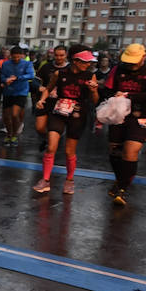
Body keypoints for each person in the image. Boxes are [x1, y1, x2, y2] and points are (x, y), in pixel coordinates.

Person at [101, 43, 146, 207]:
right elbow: (106, 90)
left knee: (130, 151)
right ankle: (119, 180)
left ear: (144, 57)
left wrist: (129, 96)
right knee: (115, 151)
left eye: (134, 61)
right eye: (128, 61)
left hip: (142, 116)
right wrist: (114, 95)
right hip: (119, 115)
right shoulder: (118, 69)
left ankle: (122, 189)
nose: (131, 64)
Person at [32, 49, 99, 195]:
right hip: (59, 111)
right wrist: (42, 100)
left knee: (69, 150)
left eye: (89, 62)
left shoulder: (90, 76)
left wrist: (93, 91)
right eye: (84, 62)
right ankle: (45, 179)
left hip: (78, 114)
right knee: (51, 146)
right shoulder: (60, 73)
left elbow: (95, 101)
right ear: (75, 61)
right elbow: (48, 88)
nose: (87, 65)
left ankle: (69, 180)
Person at [0, 45, 35, 146]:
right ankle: (9, 133)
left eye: (18, 57)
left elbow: (31, 75)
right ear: (11, 56)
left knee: (15, 114)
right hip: (8, 91)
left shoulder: (27, 64)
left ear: (22, 56)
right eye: (14, 57)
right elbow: (2, 75)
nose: (16, 59)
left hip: (21, 91)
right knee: (6, 116)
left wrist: (17, 78)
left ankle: (15, 134)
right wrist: (5, 80)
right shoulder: (6, 64)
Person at [32, 45, 68, 140]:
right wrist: (40, 87)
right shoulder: (46, 66)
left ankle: (53, 141)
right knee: (39, 128)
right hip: (45, 101)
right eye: (56, 55)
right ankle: (48, 139)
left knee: (55, 128)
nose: (59, 58)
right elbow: (35, 80)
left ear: (66, 55)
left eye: (61, 55)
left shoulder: (70, 69)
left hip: (60, 102)